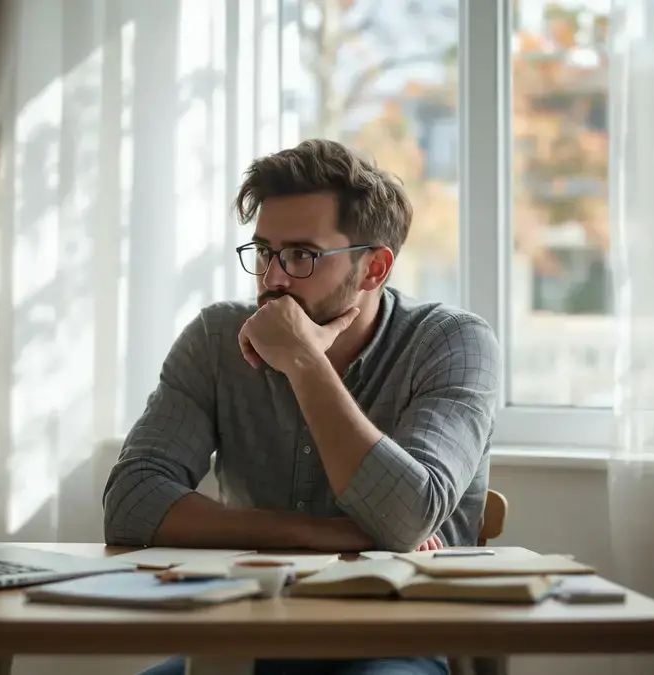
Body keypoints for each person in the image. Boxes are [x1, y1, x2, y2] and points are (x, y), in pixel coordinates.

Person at [102, 139, 501, 675]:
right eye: (264, 251)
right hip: (240, 639)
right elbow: (131, 503)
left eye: (301, 256)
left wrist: (304, 362)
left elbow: (406, 521)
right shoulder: (217, 338)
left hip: (390, 644)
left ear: (374, 269)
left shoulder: (452, 343)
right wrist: (320, 533)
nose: (273, 279)